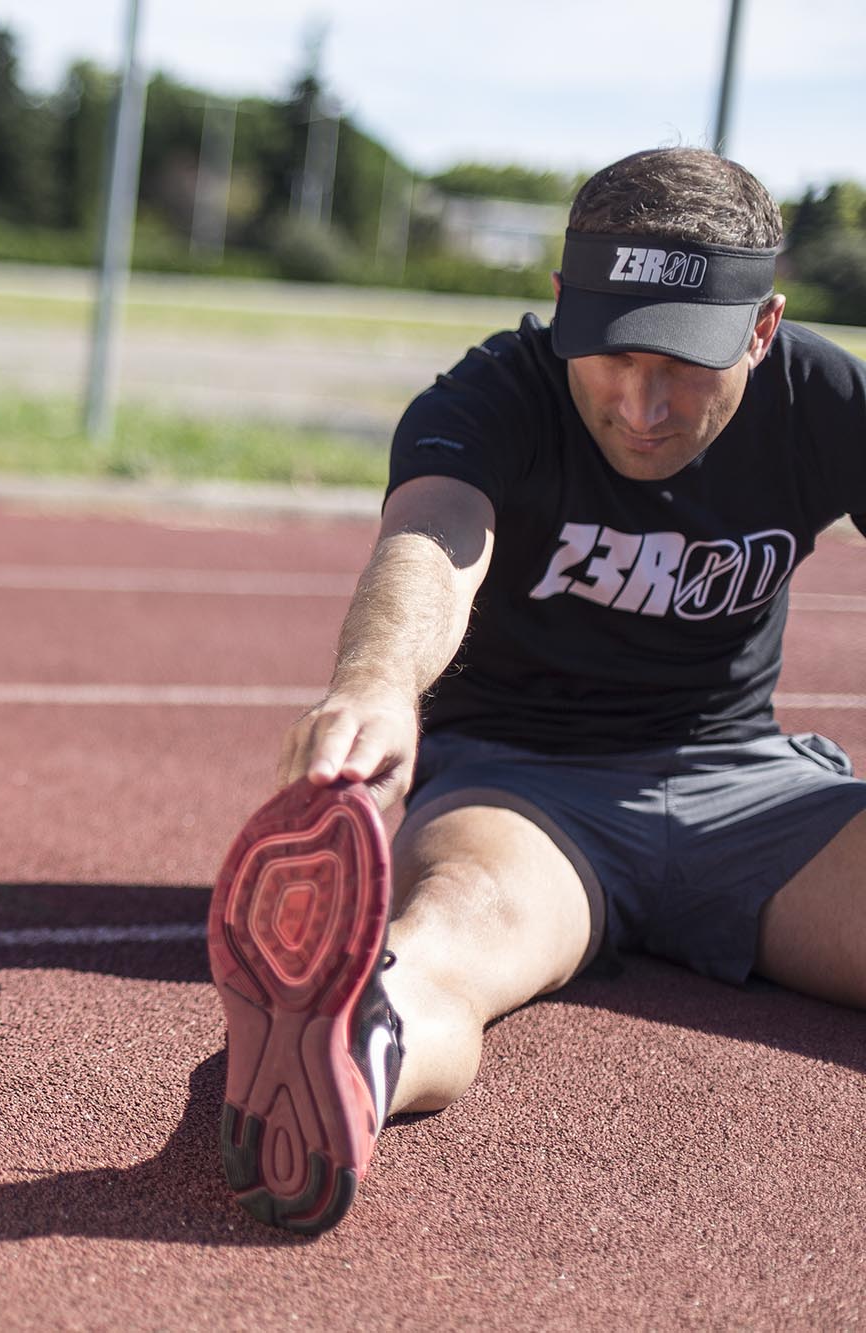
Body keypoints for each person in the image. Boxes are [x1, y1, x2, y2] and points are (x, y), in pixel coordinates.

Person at [206, 147, 866, 1236]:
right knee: (452, 938)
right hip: (524, 796)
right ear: (563, 303)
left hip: (747, 793)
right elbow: (433, 538)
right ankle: (344, 1060)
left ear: (761, 327)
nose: (641, 405)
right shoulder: (492, 393)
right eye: (609, 356)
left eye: (685, 366)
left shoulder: (823, 397)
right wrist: (374, 687)